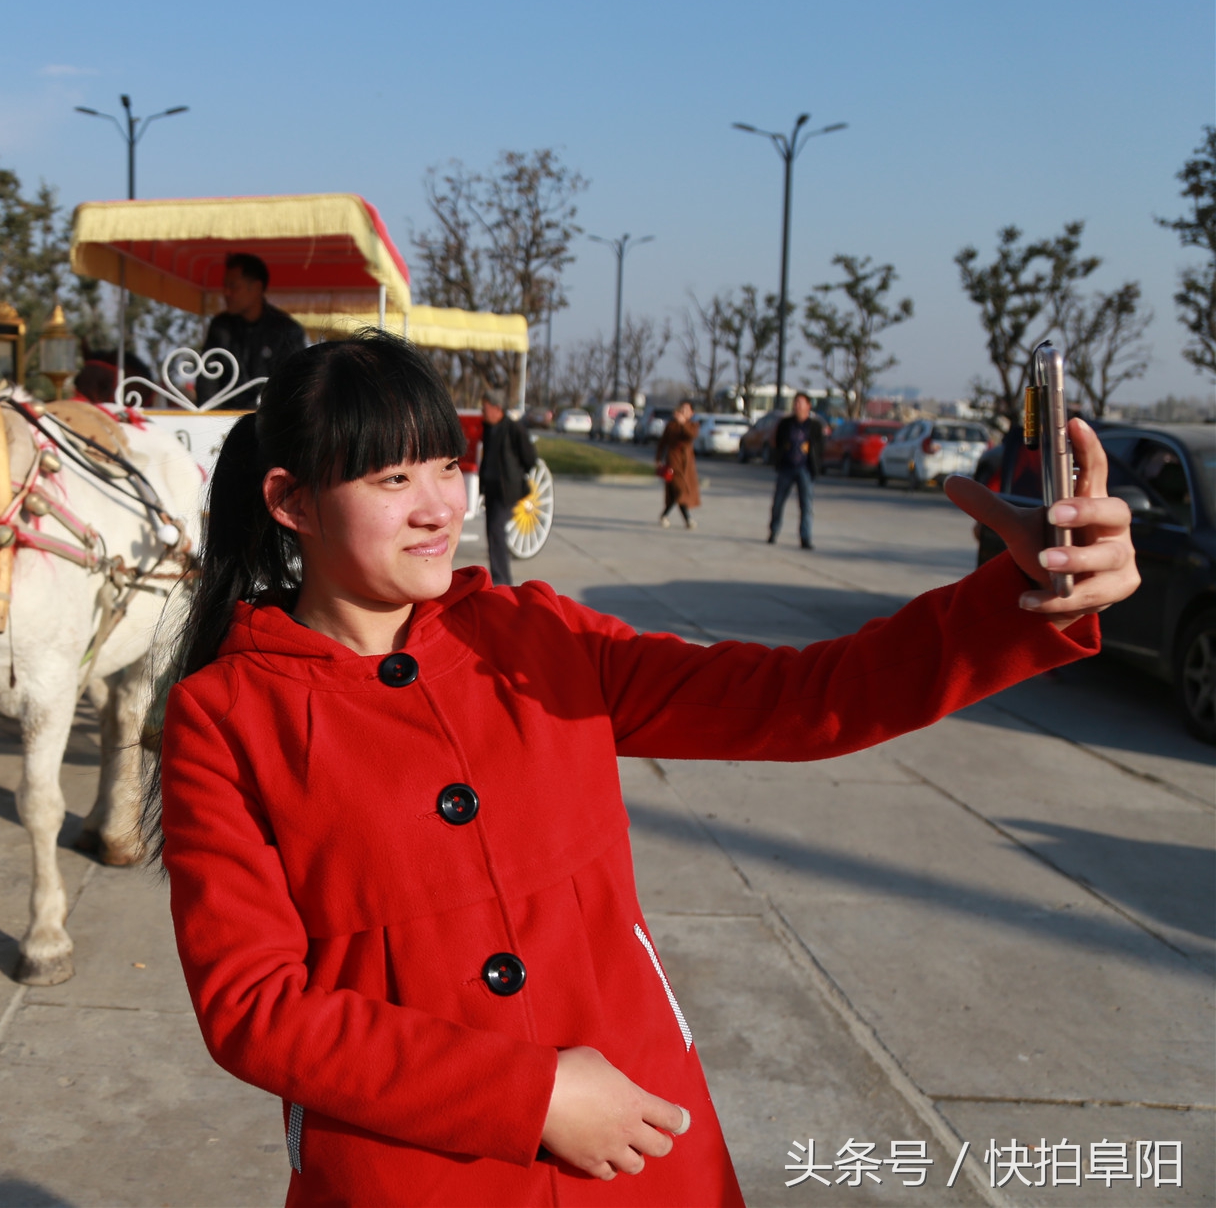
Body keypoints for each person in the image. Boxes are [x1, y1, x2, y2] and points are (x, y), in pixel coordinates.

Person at [153, 331, 1135, 1208]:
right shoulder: (225, 716)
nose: (438, 507)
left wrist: (1016, 599)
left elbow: (797, 699)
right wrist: (528, 1093)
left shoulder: (538, 636)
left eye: (445, 466)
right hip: (406, 1168)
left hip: (635, 1144)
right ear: (289, 500)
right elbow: (253, 1007)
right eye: (388, 481)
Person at [201, 252, 307, 409]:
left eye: (233, 286)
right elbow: (207, 381)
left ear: (257, 288)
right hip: (222, 423)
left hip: (269, 423)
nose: (226, 293)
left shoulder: (287, 331)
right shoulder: (220, 327)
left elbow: (293, 387)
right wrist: (207, 419)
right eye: (225, 285)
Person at [476, 395, 538, 585]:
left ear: (497, 409)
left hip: (507, 490)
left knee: (496, 531)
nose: (483, 413)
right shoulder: (488, 429)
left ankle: (502, 580)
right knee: (492, 533)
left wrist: (516, 475)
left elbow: (530, 458)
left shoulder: (513, 428)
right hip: (491, 489)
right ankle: (499, 577)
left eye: (485, 409)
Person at [768, 392, 826, 549]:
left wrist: (815, 462)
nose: (797, 406)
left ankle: (805, 537)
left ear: (808, 406)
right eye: (795, 403)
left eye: (800, 403)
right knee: (778, 502)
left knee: (806, 505)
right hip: (786, 467)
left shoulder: (815, 426)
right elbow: (776, 442)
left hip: (805, 469)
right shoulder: (785, 423)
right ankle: (774, 531)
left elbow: (820, 446)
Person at [655, 400, 700, 528]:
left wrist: (683, 423)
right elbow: (662, 443)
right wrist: (658, 458)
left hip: (686, 464)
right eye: (682, 409)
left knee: (678, 492)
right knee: (680, 490)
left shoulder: (693, 425)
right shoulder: (671, 425)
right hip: (673, 462)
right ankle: (687, 519)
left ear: (691, 413)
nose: (683, 412)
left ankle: (666, 515)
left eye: (686, 410)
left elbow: (690, 435)